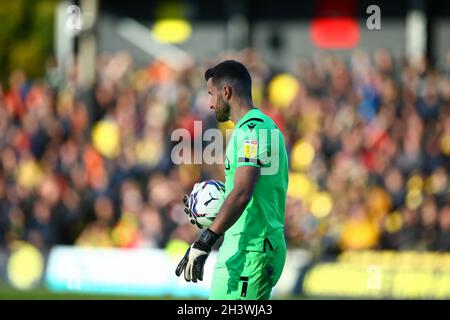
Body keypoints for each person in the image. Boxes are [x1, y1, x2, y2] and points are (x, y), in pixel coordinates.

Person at [175, 60, 289, 300]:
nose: (209, 103)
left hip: (253, 248)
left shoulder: (253, 130)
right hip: (241, 247)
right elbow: (241, 190)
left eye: (211, 94)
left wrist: (205, 240)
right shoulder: (248, 129)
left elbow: (242, 192)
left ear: (226, 92)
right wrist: (204, 207)